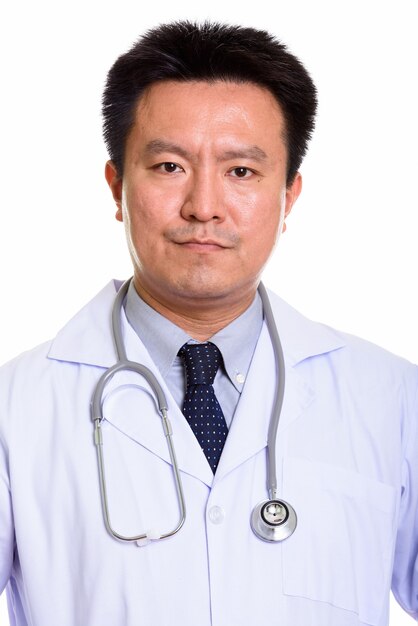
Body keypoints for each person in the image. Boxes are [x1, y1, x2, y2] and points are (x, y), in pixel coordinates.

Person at [0, 20, 417, 626]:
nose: (203, 206)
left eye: (241, 172)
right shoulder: (16, 408)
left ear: (288, 197)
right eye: (169, 166)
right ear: (117, 186)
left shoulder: (393, 399)